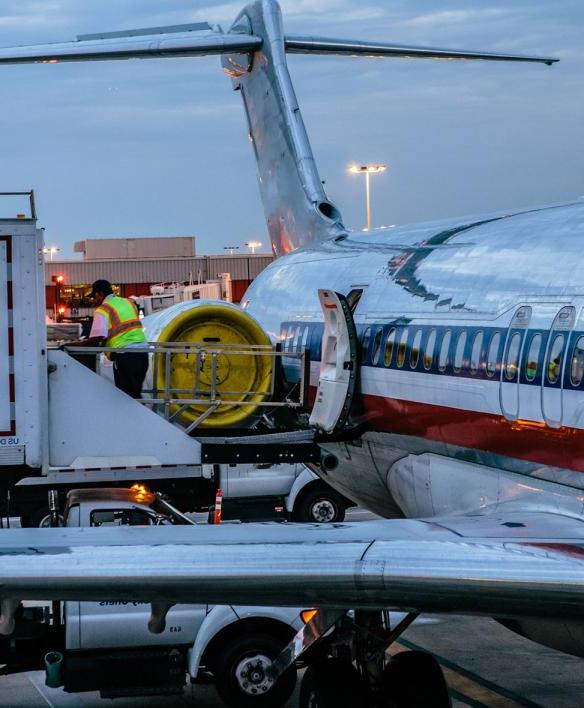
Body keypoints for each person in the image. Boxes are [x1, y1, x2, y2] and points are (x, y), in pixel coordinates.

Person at [71, 280, 148, 398]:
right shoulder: (128, 302)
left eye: (94, 297)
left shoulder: (104, 309)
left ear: (99, 294)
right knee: (134, 395)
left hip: (125, 356)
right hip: (143, 354)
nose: (94, 300)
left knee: (125, 398)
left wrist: (73, 345)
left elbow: (96, 339)